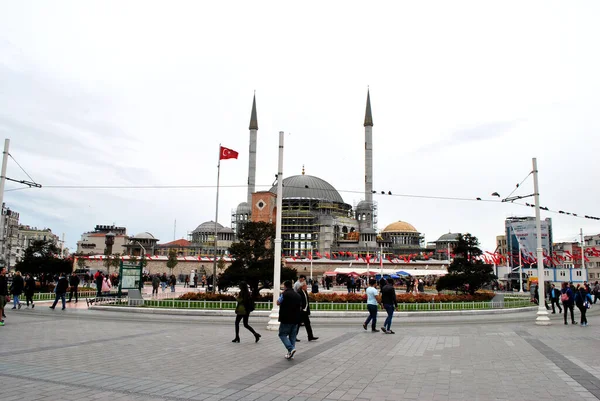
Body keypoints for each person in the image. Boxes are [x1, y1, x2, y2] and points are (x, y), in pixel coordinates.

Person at [278, 280, 301, 360]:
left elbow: (278, 302)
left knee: (282, 334)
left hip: (286, 318)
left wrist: (282, 294)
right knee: (292, 336)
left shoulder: (284, 294)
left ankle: (290, 349)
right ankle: (291, 353)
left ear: (285, 286)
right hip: (296, 318)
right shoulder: (297, 295)